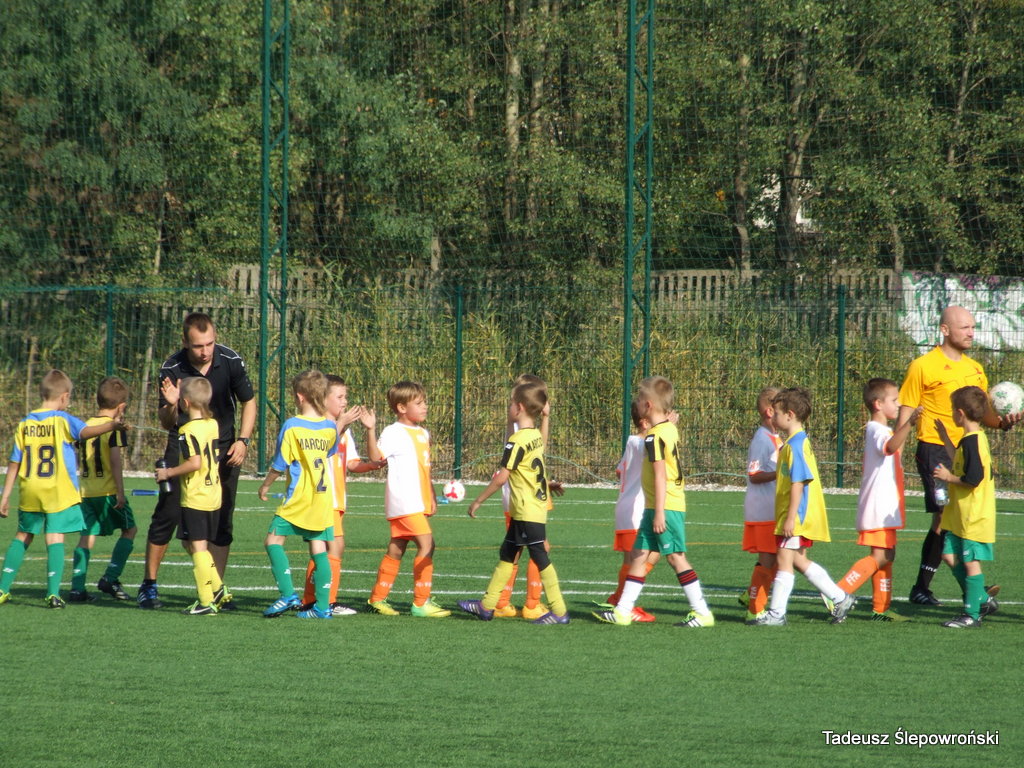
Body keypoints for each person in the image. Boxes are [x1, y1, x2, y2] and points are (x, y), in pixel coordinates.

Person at [898, 306, 1017, 607]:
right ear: (945, 330)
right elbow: (906, 412)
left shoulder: (976, 369)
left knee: (957, 518)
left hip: (965, 450)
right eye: (965, 327)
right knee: (943, 516)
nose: (971, 333)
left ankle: (930, 588)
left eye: (973, 327)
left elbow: (983, 414)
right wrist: (894, 457)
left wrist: (1003, 423)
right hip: (934, 448)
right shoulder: (922, 366)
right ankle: (965, 589)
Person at [138, 312, 255, 610]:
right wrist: (172, 404)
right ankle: (149, 585)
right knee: (167, 514)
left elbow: (249, 401)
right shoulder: (172, 368)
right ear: (185, 342)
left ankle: (215, 590)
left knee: (222, 520)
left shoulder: (230, 360)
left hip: (223, 447)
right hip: (182, 443)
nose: (205, 351)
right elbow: (167, 421)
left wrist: (243, 441)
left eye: (209, 343)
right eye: (198, 346)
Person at [593, 375, 714, 628]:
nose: (636, 402)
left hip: (665, 506)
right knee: (639, 555)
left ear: (648, 405)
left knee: (675, 557)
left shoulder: (653, 438)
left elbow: (660, 475)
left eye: (639, 399)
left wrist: (659, 512)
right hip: (654, 506)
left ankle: (702, 612)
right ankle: (623, 611)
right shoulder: (668, 429)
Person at [0, 370, 125, 608]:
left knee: (23, 535)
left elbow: (14, 462)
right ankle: (53, 594)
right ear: (64, 397)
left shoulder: (25, 423)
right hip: (57, 490)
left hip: (30, 489)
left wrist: (5, 496)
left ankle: (2, 588)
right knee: (55, 536)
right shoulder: (62, 420)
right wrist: (112, 425)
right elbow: (86, 432)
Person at [458, 380, 570, 624]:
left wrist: (478, 500)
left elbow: (502, 477)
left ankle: (560, 611)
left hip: (528, 510)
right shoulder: (535, 436)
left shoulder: (516, 441)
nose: (508, 408)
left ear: (519, 408)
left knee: (540, 556)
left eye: (511, 404)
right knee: (508, 553)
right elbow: (534, 466)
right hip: (527, 508)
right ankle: (486, 606)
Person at [753, 387, 855, 626]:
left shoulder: (795, 445)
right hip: (797, 514)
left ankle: (776, 614)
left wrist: (790, 518)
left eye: (777, 413)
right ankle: (840, 598)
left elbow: (798, 482)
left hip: (796, 515)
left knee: (784, 560)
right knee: (798, 560)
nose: (774, 417)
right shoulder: (796, 442)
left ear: (789, 415)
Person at [298, 375, 385, 616]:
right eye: (340, 397)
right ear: (322, 399)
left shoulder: (344, 432)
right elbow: (321, 447)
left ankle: (310, 600)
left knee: (323, 549)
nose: (345, 402)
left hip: (336, 500)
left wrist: (371, 465)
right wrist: (341, 424)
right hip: (323, 498)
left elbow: (352, 463)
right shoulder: (318, 426)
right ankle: (328, 602)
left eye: (346, 396)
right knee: (335, 546)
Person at [834, 378, 920, 622]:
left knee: (887, 555)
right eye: (894, 400)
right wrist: (909, 423)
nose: (898, 404)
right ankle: (836, 593)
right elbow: (889, 447)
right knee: (881, 556)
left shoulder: (883, 430)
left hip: (885, 507)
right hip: (878, 507)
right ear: (878, 404)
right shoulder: (876, 429)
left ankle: (880, 609)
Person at [258, 370, 341, 620]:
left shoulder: (292, 426)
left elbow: (280, 463)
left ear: (300, 396)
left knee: (273, 541)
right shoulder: (330, 427)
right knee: (319, 547)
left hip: (299, 497)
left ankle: (287, 595)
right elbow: (329, 453)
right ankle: (322, 608)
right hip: (322, 497)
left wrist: (265, 485)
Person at [367, 381, 450, 617]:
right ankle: (421, 603)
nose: (425, 406)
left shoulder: (423, 433)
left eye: (425, 402)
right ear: (402, 408)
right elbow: (376, 458)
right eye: (419, 403)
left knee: (397, 547)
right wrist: (370, 430)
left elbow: (425, 468)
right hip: (404, 500)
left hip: (417, 501)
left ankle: (377, 599)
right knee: (427, 544)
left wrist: (431, 495)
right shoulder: (393, 432)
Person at [492, 373, 564, 620]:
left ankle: (506, 602)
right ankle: (529, 604)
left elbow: (537, 453)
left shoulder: (521, 422)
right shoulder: (520, 425)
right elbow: (534, 450)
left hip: (529, 490)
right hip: (522, 495)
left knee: (517, 548)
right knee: (535, 547)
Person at [152, 377, 223, 615]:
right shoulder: (213, 424)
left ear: (184, 402)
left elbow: (195, 463)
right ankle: (218, 588)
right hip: (213, 492)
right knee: (189, 542)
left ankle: (205, 601)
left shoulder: (186, 431)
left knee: (198, 546)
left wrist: (168, 472)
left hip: (196, 495)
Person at [933, 386, 998, 628]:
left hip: (973, 515)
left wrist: (948, 477)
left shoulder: (974, 441)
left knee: (971, 563)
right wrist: (944, 438)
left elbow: (973, 478)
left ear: (960, 413)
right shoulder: (970, 439)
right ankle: (982, 598)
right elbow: (960, 461)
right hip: (960, 514)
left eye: (953, 409)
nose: (952, 413)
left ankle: (972, 614)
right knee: (948, 555)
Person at [69, 376, 136, 603]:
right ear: (121, 407)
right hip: (108, 492)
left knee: (86, 536)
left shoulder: (85, 427)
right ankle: (110, 578)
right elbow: (115, 462)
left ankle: (77, 588)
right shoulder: (114, 429)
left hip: (86, 492)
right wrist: (120, 492)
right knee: (130, 529)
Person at [597, 401, 659, 622]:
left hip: (626, 506)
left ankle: (618, 598)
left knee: (631, 559)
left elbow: (619, 471)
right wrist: (668, 428)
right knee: (653, 551)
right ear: (645, 423)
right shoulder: (641, 442)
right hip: (636, 509)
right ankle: (626, 604)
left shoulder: (632, 442)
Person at [741, 386, 782, 624]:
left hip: (772, 509)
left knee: (777, 558)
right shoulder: (761, 439)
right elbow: (754, 474)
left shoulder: (776, 438)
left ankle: (751, 595)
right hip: (762, 510)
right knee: (769, 559)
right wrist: (781, 473)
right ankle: (755, 610)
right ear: (770, 411)